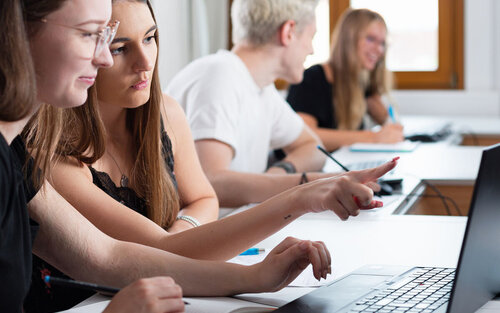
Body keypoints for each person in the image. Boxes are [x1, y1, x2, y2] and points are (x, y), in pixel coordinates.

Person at [1, 0, 332, 311]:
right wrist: (298, 197)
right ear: (18, 32)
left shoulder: (13, 155)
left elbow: (108, 257)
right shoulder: (39, 149)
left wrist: (257, 277)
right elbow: (151, 249)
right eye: (92, 35)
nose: (103, 58)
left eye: (149, 38)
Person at [167, 0, 352, 208]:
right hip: (207, 234)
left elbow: (314, 148)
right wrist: (312, 184)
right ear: (288, 32)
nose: (310, 49)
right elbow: (211, 183)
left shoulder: (262, 88)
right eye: (311, 37)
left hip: (238, 226)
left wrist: (280, 172)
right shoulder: (220, 75)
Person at [287, 8, 404, 152]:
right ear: (349, 39)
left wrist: (389, 124)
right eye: (371, 39)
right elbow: (305, 137)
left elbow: (386, 118)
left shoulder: (360, 82)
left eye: (382, 43)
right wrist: (373, 137)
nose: (379, 50)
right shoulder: (312, 79)